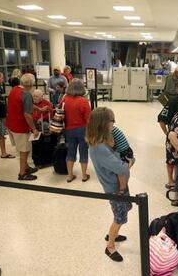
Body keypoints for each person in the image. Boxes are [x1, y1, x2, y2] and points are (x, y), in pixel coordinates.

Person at [86, 107, 134, 262]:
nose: (114, 123)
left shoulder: (101, 141)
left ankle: (113, 234)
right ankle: (110, 246)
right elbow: (121, 167)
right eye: (112, 120)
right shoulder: (99, 148)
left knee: (124, 209)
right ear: (103, 123)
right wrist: (129, 162)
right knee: (119, 217)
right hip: (115, 188)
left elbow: (118, 158)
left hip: (117, 185)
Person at [6, 73, 40, 180]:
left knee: (25, 147)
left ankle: (26, 167)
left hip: (11, 123)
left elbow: (21, 103)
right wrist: (34, 129)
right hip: (20, 127)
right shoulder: (27, 94)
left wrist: (36, 108)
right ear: (32, 84)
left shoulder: (15, 89)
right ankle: (22, 174)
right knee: (24, 150)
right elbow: (27, 114)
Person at [61, 79, 91, 183]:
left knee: (70, 151)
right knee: (83, 151)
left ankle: (70, 175)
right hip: (82, 129)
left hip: (69, 129)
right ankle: (83, 175)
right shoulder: (83, 101)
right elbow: (88, 119)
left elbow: (59, 110)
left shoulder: (65, 99)